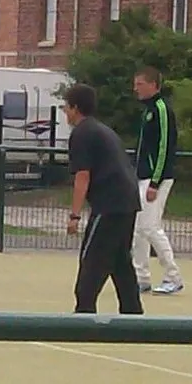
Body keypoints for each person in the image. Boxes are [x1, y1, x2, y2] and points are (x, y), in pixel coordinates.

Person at [62, 83, 144, 315]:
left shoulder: (81, 133)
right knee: (120, 262)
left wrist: (74, 216)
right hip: (128, 202)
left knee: (91, 262)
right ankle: (133, 314)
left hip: (109, 205)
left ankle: (84, 314)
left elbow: (82, 176)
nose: (65, 112)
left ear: (75, 108)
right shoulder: (103, 130)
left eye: (66, 107)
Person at [131, 66, 184, 296]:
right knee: (138, 230)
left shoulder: (161, 109)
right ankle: (141, 277)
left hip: (156, 179)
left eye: (140, 84)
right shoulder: (147, 110)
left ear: (153, 85)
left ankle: (173, 276)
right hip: (142, 176)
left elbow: (165, 146)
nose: (136, 88)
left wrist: (155, 181)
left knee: (150, 228)